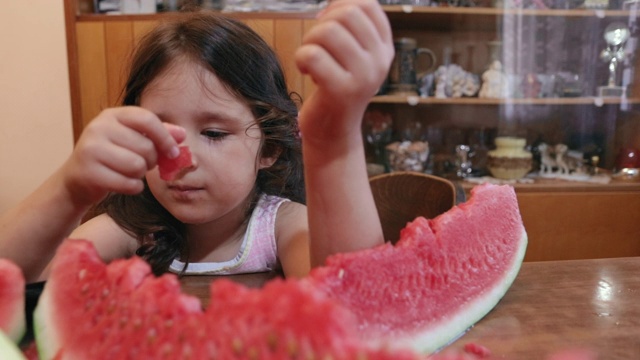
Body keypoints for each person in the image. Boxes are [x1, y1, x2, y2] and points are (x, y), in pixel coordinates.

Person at [0, 0, 393, 283]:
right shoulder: (132, 230)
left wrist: (333, 142)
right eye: (158, 131)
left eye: (214, 133)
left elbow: (353, 295)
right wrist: (70, 188)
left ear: (269, 149)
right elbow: (11, 281)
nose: (180, 158)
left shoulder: (280, 226)